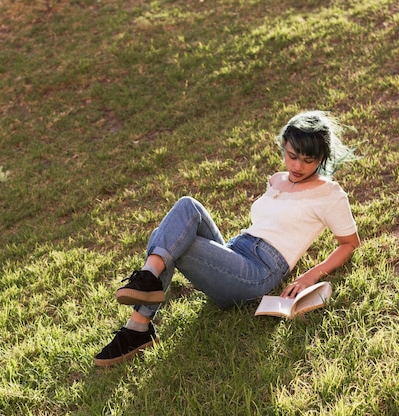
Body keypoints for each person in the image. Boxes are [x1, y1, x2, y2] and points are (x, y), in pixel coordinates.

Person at [94, 110, 361, 367]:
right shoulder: (277, 180)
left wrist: (309, 276)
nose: (297, 166)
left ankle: (138, 326)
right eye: (292, 156)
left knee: (171, 244)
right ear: (283, 146)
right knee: (187, 207)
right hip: (235, 250)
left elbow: (349, 243)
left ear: (321, 157)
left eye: (308, 160)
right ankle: (148, 279)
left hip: (258, 271)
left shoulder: (329, 194)